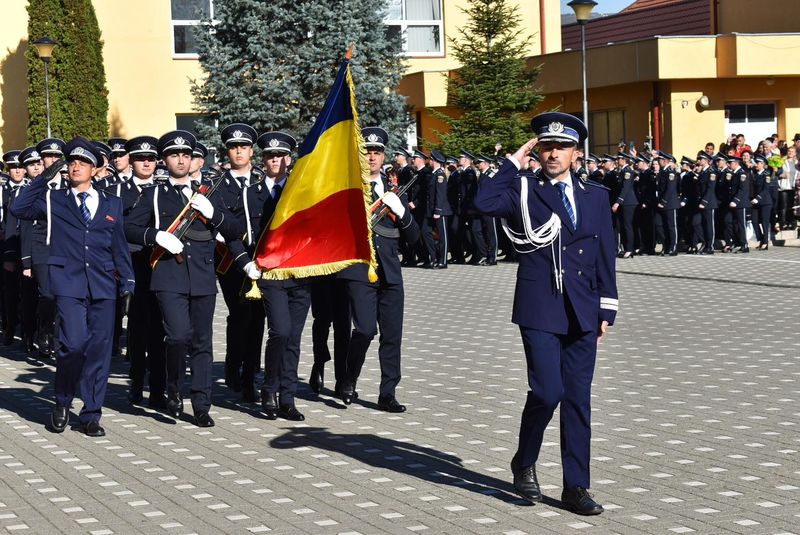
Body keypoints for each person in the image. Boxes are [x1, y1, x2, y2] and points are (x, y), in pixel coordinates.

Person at [473, 112, 617, 516]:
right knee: (547, 392)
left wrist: (608, 305)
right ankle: (524, 461)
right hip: (540, 307)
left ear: (575, 153)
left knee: (578, 401)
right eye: (546, 146)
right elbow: (481, 202)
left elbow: (606, 252)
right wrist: (509, 165)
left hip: (584, 309)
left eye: (561, 147)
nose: (553, 153)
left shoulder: (596, 195)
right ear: (537, 150)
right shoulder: (523, 190)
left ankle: (576, 486)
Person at [11, 137, 135, 436]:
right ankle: (63, 399)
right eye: (72, 162)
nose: (76, 165)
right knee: (73, 345)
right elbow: (19, 208)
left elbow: (118, 245)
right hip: (68, 282)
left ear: (95, 169)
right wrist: (44, 175)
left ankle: (91, 413)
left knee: (100, 350)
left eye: (83, 162)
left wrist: (129, 281)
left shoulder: (111, 203)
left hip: (104, 284)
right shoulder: (56, 200)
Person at [124, 130, 237, 427]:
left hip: (202, 277)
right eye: (174, 155)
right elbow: (127, 228)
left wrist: (216, 215)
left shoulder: (208, 193)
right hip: (167, 276)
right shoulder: (155, 194)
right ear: (165, 160)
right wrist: (156, 235)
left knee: (202, 342)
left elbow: (235, 229)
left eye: (186, 155)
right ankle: (173, 389)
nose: (181, 160)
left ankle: (201, 404)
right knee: (176, 336)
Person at [229, 131, 311, 421]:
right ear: (262, 159)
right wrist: (244, 263)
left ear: (288, 159)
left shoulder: (301, 191)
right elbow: (232, 234)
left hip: (300, 273)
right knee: (280, 331)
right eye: (269, 155)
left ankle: (287, 397)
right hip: (269, 274)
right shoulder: (250, 193)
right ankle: (269, 389)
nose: (274, 160)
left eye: (280, 155)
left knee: (294, 338)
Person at [338, 127, 420, 412]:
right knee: (364, 330)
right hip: (359, 271)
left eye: (376, 152)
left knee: (392, 334)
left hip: (390, 273)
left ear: (383, 156)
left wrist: (401, 212)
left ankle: (388, 392)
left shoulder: (393, 191)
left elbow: (413, 237)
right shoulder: (348, 190)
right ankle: (348, 378)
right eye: (366, 152)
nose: (371, 156)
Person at [114, 136, 166, 408]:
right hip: (132, 265)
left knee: (160, 328)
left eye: (150, 159)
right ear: (131, 162)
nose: (146, 163)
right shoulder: (118, 192)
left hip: (162, 266)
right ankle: (136, 381)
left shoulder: (165, 190)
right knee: (137, 327)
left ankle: (158, 387)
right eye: (140, 159)